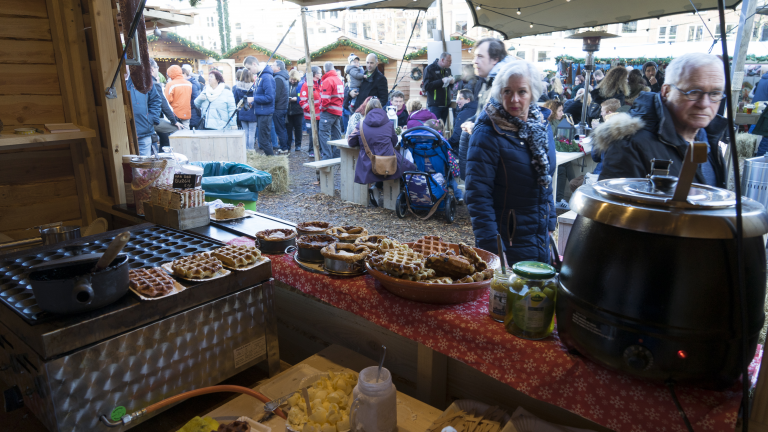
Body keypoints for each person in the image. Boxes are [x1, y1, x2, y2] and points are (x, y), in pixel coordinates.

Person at [466, 60, 557, 265]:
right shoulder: (488, 132)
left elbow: (546, 180)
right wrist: (494, 253)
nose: (514, 99)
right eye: (507, 91)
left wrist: (550, 223)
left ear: (533, 93)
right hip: (508, 242)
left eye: (522, 92)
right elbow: (478, 197)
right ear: (499, 92)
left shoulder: (541, 127)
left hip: (539, 236)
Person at [595, 53, 727, 187]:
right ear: (666, 91)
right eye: (693, 92)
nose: (705, 103)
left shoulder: (708, 138)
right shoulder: (630, 145)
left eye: (715, 93)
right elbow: (616, 205)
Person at [457, 37, 515, 181]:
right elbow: (484, 114)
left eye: (480, 56)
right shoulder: (489, 81)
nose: (474, 61)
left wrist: (474, 126)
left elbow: (506, 126)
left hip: (497, 168)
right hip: (487, 162)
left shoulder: (505, 84)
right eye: (475, 56)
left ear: (495, 59)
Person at [347, 97, 417, 207]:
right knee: (410, 167)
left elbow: (351, 142)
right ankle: (385, 191)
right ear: (381, 108)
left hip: (368, 165)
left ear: (367, 109)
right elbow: (394, 142)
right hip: (389, 163)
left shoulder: (361, 124)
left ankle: (375, 187)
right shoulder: (389, 124)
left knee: (371, 165)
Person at [244, 56, 276, 156]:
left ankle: (273, 163)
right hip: (261, 112)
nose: (249, 71)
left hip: (265, 113)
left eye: (249, 68)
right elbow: (260, 96)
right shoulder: (260, 77)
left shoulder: (266, 77)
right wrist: (252, 103)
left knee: (263, 141)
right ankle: (271, 161)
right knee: (263, 141)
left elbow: (270, 97)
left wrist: (253, 99)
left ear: (254, 64)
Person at [126, 66, 161, 156]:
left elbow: (155, 100)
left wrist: (151, 118)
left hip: (143, 132)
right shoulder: (112, 80)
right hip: (122, 134)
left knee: (144, 166)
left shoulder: (142, 79)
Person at [148, 60, 182, 152]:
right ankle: (168, 155)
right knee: (178, 128)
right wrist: (174, 121)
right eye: (157, 67)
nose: (158, 70)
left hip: (144, 120)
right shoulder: (154, 84)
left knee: (163, 137)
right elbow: (164, 104)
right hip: (152, 120)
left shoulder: (142, 82)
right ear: (152, 69)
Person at [318, 61, 344, 160]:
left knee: (323, 133)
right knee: (336, 134)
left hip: (329, 111)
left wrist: (322, 109)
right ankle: (337, 156)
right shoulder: (339, 80)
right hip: (337, 111)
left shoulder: (327, 81)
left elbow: (325, 99)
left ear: (325, 70)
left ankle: (327, 157)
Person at [423, 52, 454, 122]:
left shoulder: (448, 70)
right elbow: (427, 86)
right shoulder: (430, 69)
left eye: (451, 61)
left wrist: (452, 82)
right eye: (449, 61)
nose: (450, 63)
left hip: (446, 105)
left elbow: (450, 87)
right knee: (434, 128)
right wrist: (441, 81)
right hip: (435, 106)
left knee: (442, 128)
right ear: (442, 60)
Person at [300, 67, 322, 158]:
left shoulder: (320, 85)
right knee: (312, 134)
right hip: (310, 116)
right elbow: (302, 102)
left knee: (320, 134)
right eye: (320, 73)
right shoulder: (306, 85)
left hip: (320, 115)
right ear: (315, 74)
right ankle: (312, 150)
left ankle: (320, 150)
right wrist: (311, 110)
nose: (321, 74)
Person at [234, 68, 258, 151]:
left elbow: (236, 101)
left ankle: (245, 150)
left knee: (245, 132)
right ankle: (251, 150)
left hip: (243, 111)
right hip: (252, 112)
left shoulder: (237, 87)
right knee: (252, 133)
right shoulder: (255, 87)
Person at [273, 60, 290, 155]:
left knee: (280, 129)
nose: (271, 66)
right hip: (283, 107)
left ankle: (284, 148)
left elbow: (276, 96)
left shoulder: (278, 78)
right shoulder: (284, 77)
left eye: (273, 65)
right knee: (282, 128)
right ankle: (285, 146)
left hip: (279, 108)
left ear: (278, 68)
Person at [287, 69, 305, 152]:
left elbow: (303, 96)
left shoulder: (300, 85)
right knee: (288, 128)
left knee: (298, 128)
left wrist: (296, 99)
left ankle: (298, 145)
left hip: (298, 110)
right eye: (291, 79)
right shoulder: (287, 84)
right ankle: (289, 144)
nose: (292, 81)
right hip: (288, 110)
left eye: (294, 79)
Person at [182, 64, 202, 129]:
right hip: (192, 112)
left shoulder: (192, 84)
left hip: (193, 113)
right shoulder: (191, 82)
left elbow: (195, 101)